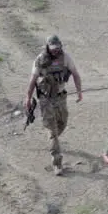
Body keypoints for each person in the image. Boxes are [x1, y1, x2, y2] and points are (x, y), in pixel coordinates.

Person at [23, 35, 83, 175]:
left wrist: (79, 91)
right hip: (46, 99)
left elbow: (75, 74)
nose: (56, 51)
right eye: (53, 49)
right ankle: (57, 163)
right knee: (52, 131)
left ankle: (54, 139)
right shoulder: (40, 60)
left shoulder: (65, 58)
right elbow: (33, 80)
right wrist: (28, 96)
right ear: (48, 47)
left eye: (57, 48)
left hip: (61, 97)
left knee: (62, 123)